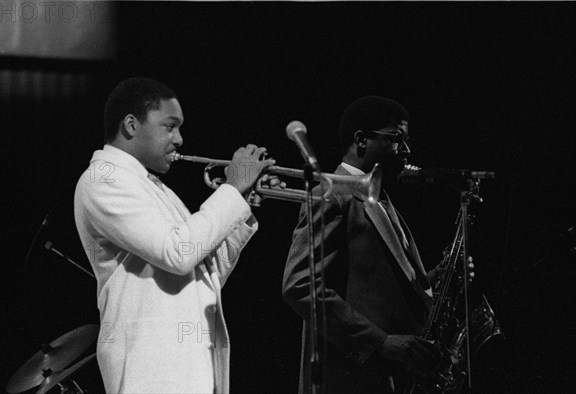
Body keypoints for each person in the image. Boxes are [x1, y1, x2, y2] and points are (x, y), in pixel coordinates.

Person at [74, 77, 280, 393]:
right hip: (152, 369)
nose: (179, 139)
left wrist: (242, 205)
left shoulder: (156, 188)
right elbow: (179, 253)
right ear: (131, 125)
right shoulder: (103, 179)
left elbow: (206, 275)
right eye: (170, 126)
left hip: (187, 364)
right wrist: (232, 188)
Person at [282, 96, 441, 393]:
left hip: (388, 378)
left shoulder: (381, 200)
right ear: (361, 140)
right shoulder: (331, 194)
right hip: (352, 378)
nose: (406, 150)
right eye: (398, 139)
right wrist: (379, 342)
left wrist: (434, 278)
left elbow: (379, 286)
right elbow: (300, 285)